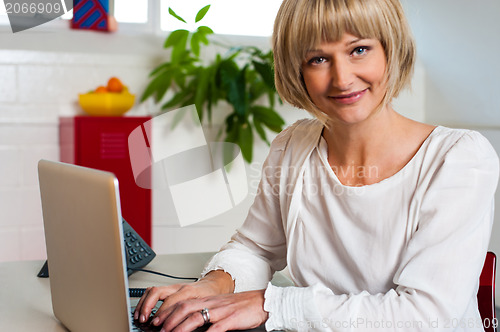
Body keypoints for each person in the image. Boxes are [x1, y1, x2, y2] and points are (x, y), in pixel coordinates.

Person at [134, 0, 500, 331]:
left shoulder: (460, 158)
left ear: (391, 50)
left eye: (359, 49)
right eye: (318, 59)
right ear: (298, 71)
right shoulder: (293, 146)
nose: (342, 78)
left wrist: (271, 304)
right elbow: (255, 249)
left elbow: (426, 316)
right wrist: (210, 287)